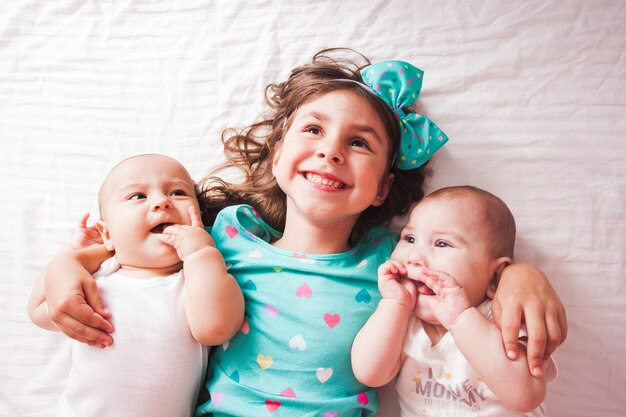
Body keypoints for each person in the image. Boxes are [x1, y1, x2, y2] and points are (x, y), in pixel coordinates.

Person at [40, 50, 567, 416]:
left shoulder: (393, 257)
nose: (331, 151)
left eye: (359, 143)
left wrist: (520, 273)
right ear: (277, 153)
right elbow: (132, 253)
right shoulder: (225, 235)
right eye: (313, 129)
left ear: (383, 188)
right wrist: (65, 265)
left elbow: (467, 263)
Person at [28, 154, 244, 417]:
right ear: (107, 234)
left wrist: (202, 253)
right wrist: (70, 253)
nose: (162, 202)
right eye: (137, 196)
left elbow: (215, 329)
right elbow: (40, 312)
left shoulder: (196, 279)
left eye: (178, 192)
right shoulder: (98, 277)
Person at [352, 186, 558, 416]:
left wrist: (460, 318)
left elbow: (526, 396)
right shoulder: (403, 321)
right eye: (409, 238)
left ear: (495, 277)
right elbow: (370, 374)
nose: (415, 258)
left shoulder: (500, 317)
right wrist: (394, 304)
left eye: (442, 244)